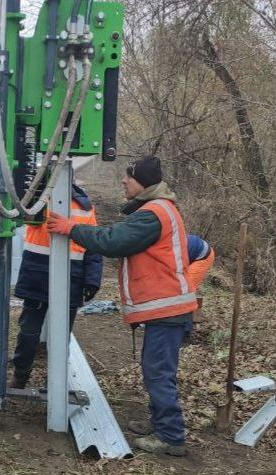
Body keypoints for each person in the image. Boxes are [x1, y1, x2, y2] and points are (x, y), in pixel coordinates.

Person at [47, 156, 196, 456]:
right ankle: (161, 425)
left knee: (158, 373)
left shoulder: (154, 214)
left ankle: (171, 437)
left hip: (167, 310)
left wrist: (71, 228)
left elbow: (113, 241)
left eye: (129, 177)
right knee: (155, 370)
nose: (123, 181)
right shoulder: (157, 209)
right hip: (166, 310)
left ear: (144, 182)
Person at [11, 183, 103, 389]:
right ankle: (21, 374)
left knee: (57, 337)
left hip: (68, 280)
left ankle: (55, 381)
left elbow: (93, 246)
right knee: (28, 333)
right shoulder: (38, 199)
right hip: (38, 279)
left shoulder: (83, 207)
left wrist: (92, 280)